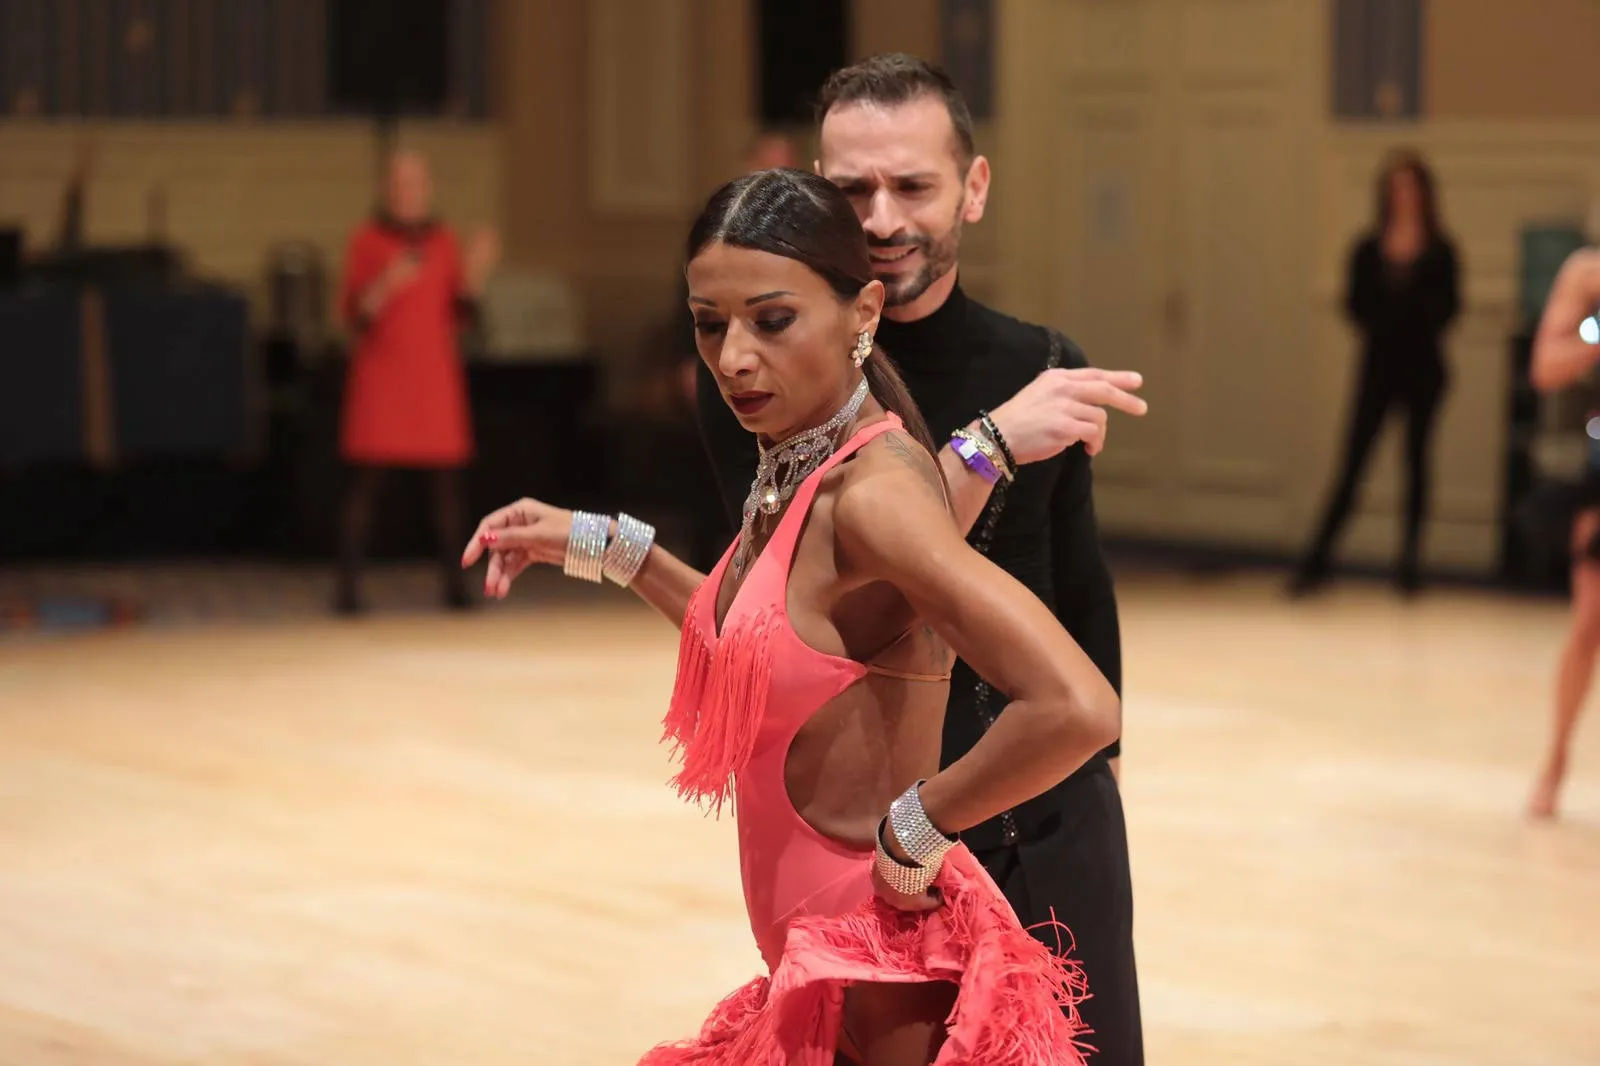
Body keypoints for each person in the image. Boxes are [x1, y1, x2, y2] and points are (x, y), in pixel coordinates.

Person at [462, 168, 1120, 1064]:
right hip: (817, 973)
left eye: (772, 321)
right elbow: (753, 636)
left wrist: (916, 829)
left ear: (863, 312)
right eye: (709, 324)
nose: (734, 358)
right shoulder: (801, 468)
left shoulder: (875, 497)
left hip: (878, 985)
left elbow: (1077, 704)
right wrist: (598, 543)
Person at [693, 54, 1148, 1064]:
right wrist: (983, 447)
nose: (884, 217)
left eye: (913, 186)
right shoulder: (768, 372)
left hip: (1039, 808)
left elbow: (1081, 595)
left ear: (972, 190)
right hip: (888, 839)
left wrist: (1091, 790)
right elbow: (800, 581)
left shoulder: (1037, 359)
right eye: (853, 190)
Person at [334, 149, 499, 614]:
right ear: (388, 192)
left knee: (446, 488)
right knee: (365, 485)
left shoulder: (443, 241)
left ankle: (455, 586)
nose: (409, 194)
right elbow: (353, 314)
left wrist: (477, 274)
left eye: (416, 184)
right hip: (383, 376)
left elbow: (459, 311)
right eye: (400, 185)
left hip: (431, 377)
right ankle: (347, 589)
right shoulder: (367, 241)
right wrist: (387, 283)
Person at [1291, 150, 1461, 596]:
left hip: (1423, 369)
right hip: (1379, 367)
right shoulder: (1368, 247)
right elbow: (1357, 306)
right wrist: (1395, 312)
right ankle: (1318, 561)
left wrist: (1405, 309)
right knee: (1353, 463)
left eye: (1410, 187)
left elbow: (1446, 310)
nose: (1403, 196)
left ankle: (1409, 568)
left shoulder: (1441, 249)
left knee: (1416, 466)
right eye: (1396, 188)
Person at [1523, 246, 1600, 817]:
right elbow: (1546, 366)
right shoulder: (1587, 273)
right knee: (1590, 617)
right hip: (1599, 470)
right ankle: (1555, 760)